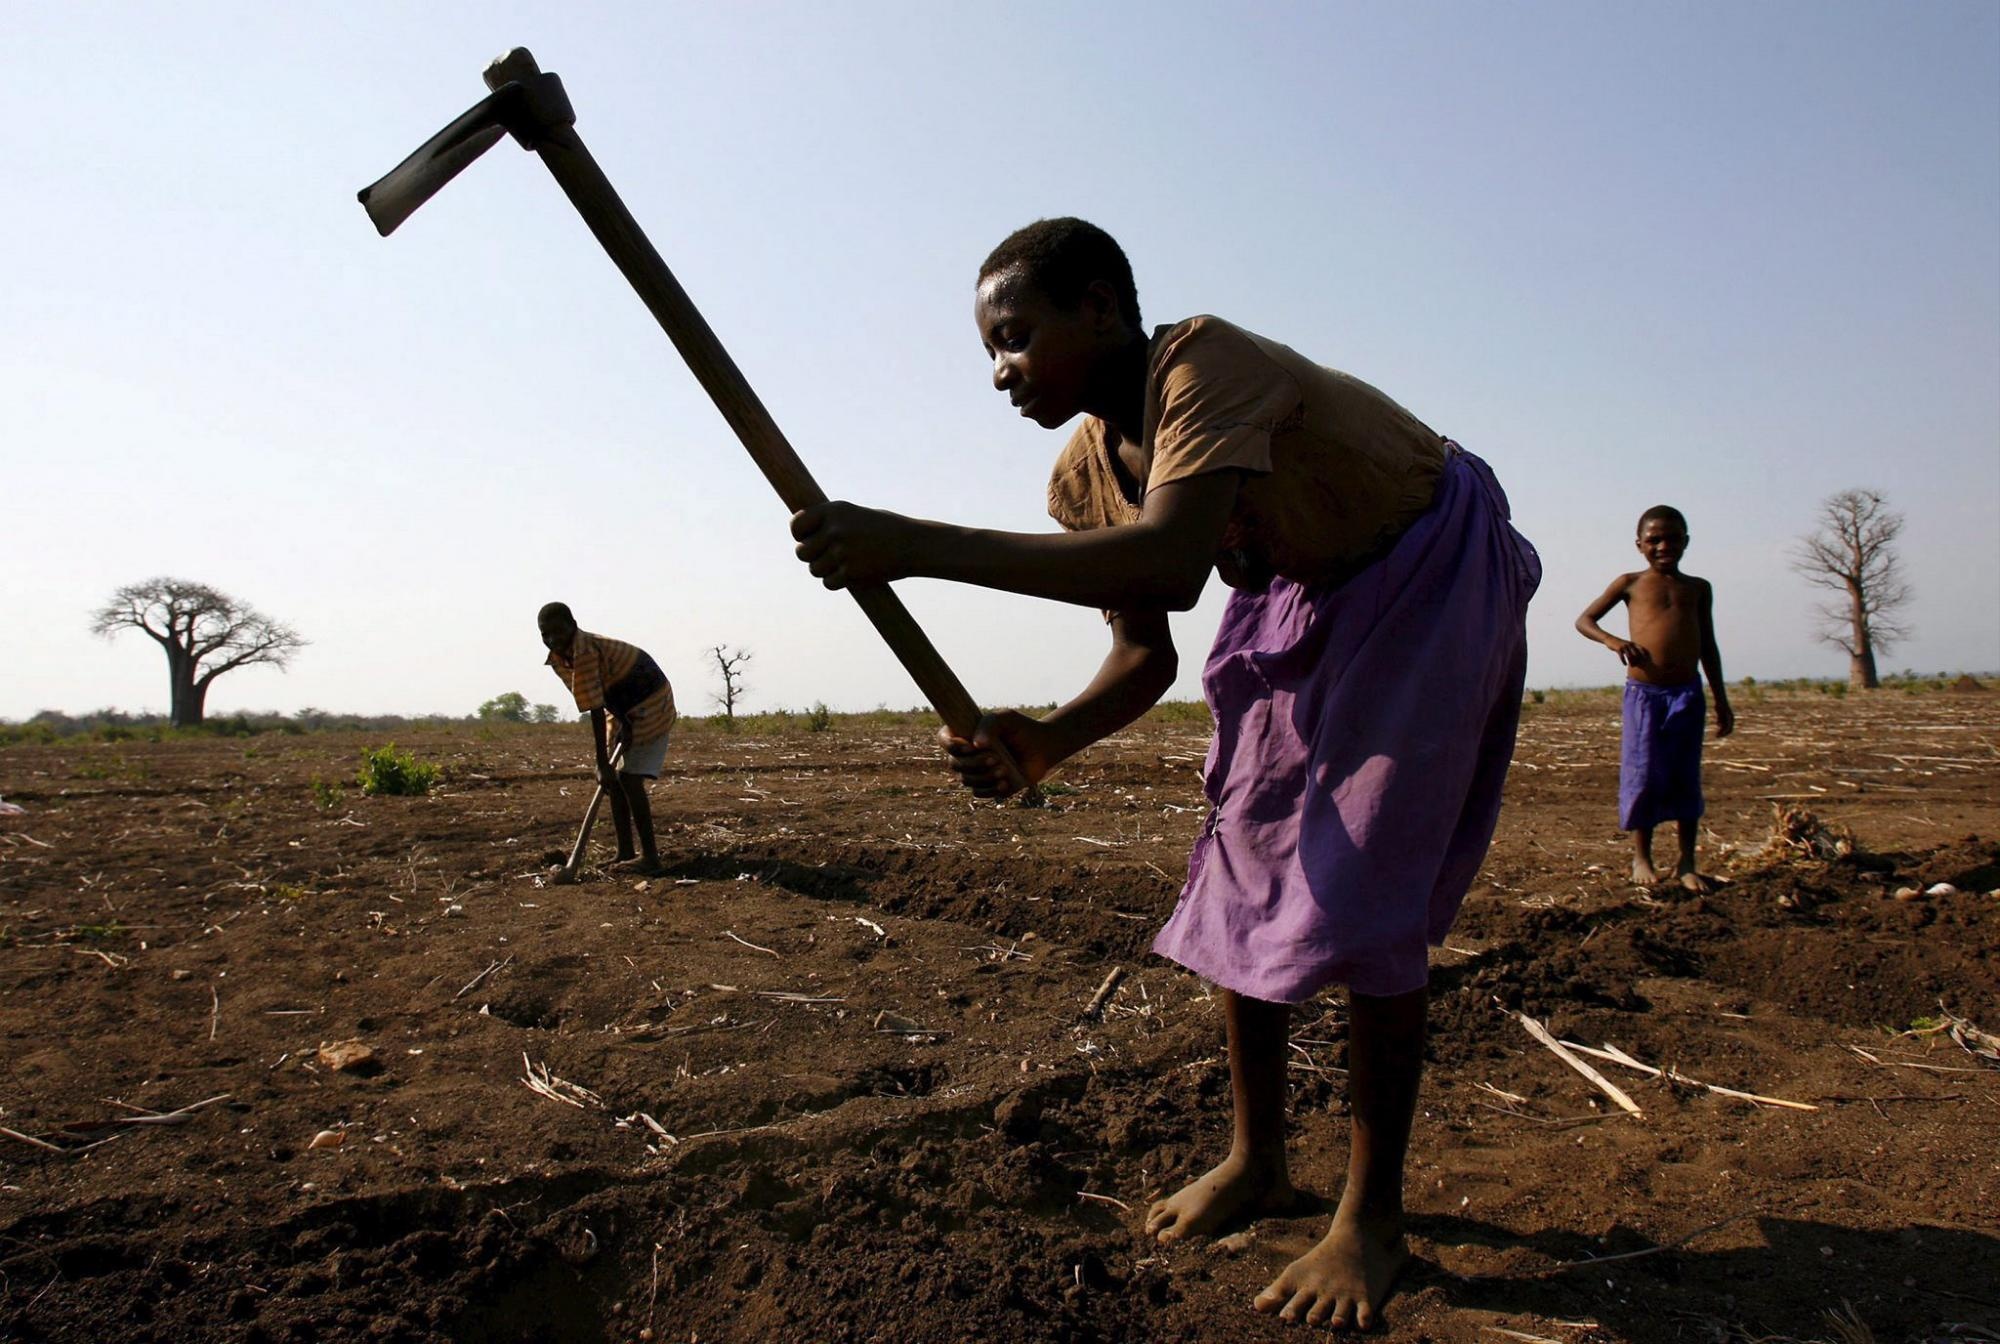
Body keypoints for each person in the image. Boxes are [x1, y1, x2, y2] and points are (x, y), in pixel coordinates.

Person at [789, 218, 1540, 1329]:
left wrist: (912, 545)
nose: (999, 372)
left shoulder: (1202, 363)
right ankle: (1257, 1160)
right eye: (989, 352)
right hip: (1294, 590)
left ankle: (1371, 1219)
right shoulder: (1084, 474)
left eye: (1014, 338)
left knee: (1365, 877)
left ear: (1100, 306)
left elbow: (1172, 565)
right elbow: (1144, 651)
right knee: (1241, 862)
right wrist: (1045, 740)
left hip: (1421, 561)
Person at [1575, 506, 1734, 891]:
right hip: (1644, 696)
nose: (1664, 546)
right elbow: (1584, 621)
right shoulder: (1629, 583)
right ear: (1639, 544)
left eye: (1673, 539)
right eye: (1654, 540)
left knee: (1684, 775)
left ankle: (1686, 860)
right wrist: (1614, 641)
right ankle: (1641, 856)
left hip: (1687, 694)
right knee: (1643, 773)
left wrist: (1721, 699)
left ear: (1686, 541)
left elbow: (1708, 646)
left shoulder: (1698, 588)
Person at [537, 602, 675, 875]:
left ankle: (650, 858)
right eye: (545, 634)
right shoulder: (560, 658)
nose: (552, 639)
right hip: (623, 706)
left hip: (651, 701)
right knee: (614, 782)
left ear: (572, 626)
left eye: (558, 631)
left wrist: (602, 762)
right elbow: (599, 696)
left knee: (629, 779)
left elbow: (595, 708)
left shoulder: (584, 651)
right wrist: (622, 721)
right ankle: (625, 852)